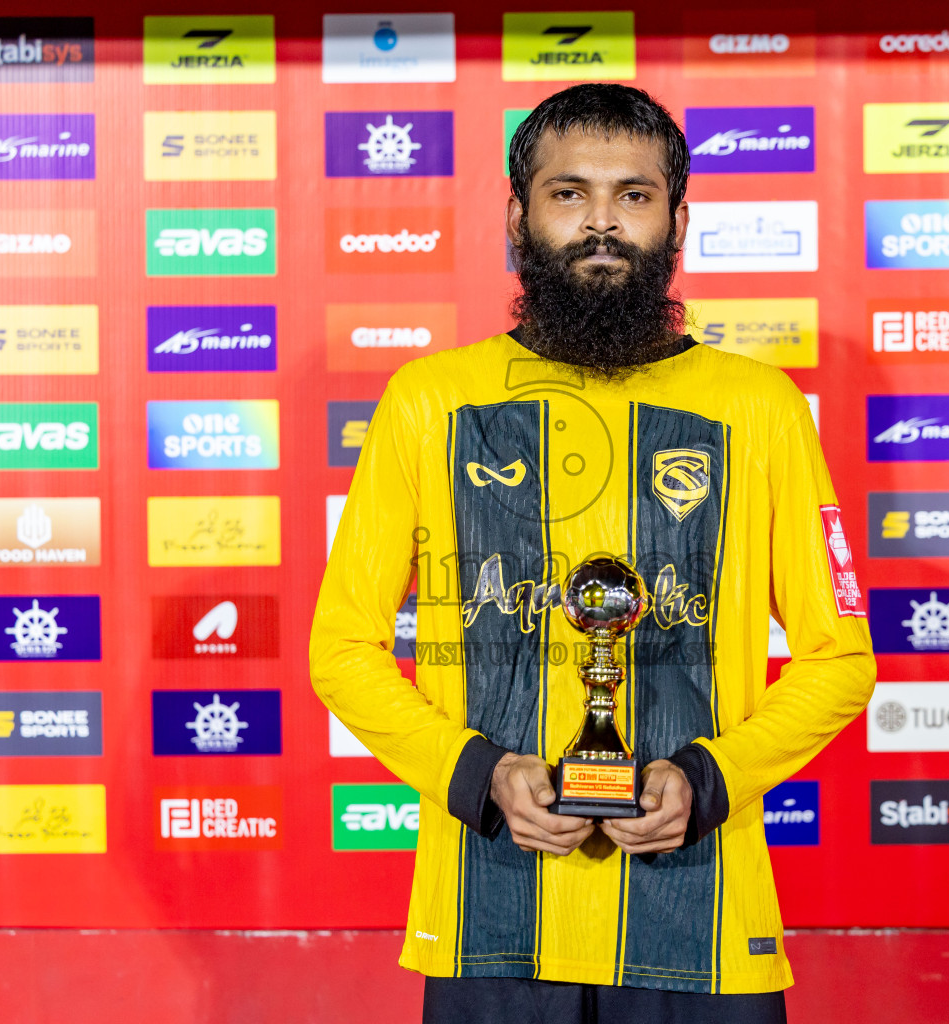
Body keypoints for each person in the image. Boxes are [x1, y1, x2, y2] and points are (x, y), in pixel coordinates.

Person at [311, 83, 876, 1024]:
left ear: (677, 218)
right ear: (517, 215)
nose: (602, 223)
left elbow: (839, 656)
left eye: (635, 195)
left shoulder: (761, 408)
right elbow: (342, 647)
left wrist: (706, 780)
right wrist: (477, 772)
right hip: (489, 916)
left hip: (703, 916)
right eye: (569, 194)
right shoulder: (427, 403)